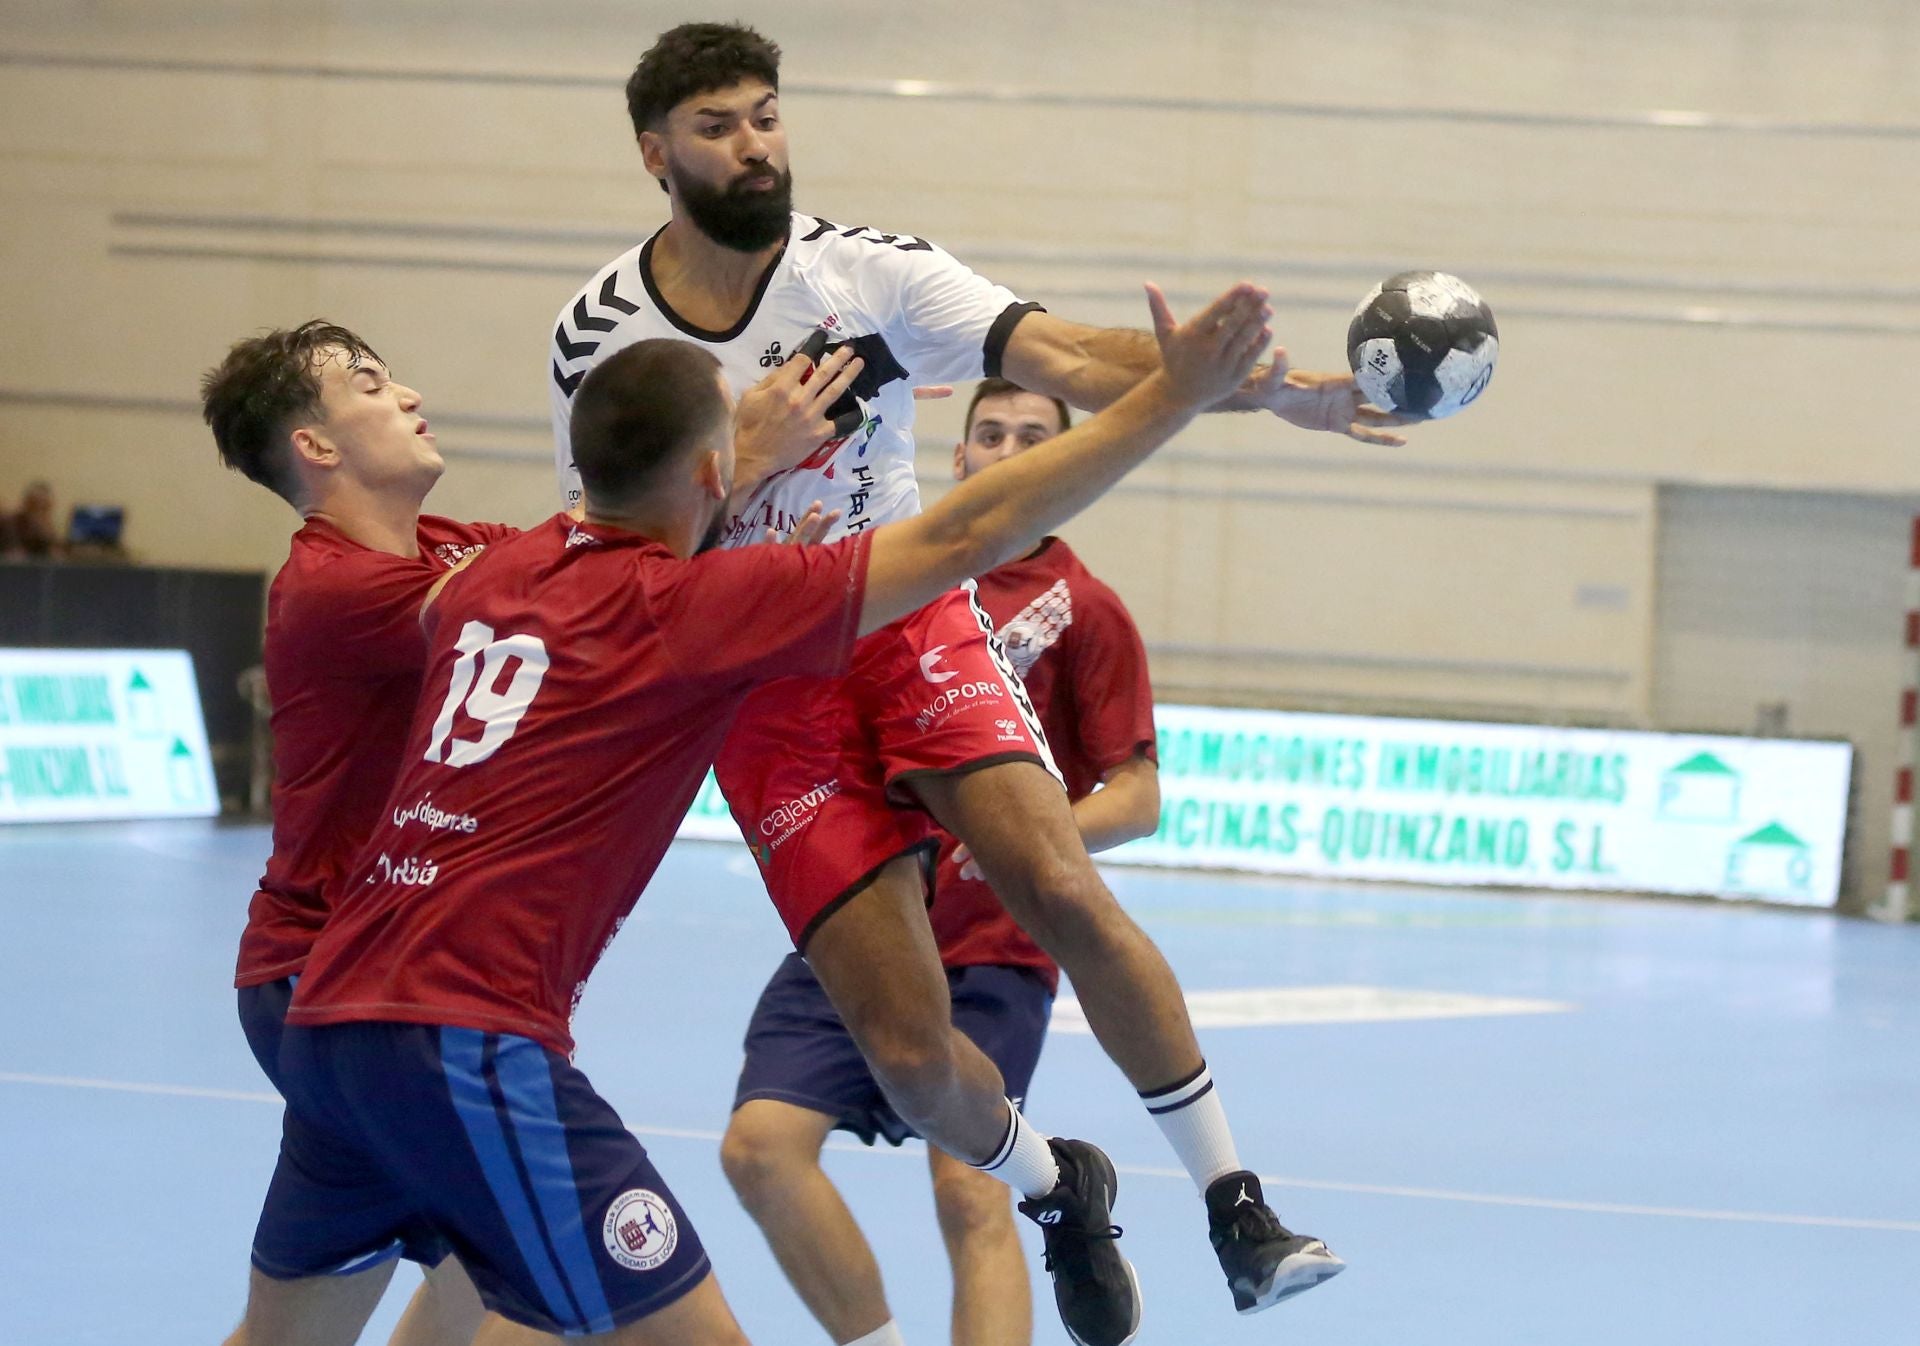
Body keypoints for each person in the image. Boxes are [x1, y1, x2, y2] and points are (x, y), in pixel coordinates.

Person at [247, 282, 1272, 1346]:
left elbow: (596, 569)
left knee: (453, 1308)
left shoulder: (484, 577)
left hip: (328, 1022)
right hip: (461, 1034)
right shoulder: (694, 608)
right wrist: (1171, 396)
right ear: (712, 470)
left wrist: (725, 520)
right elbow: (975, 526)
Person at [548, 23, 1378, 1334]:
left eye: (767, 113)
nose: (756, 143)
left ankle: (1239, 1207)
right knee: (904, 1046)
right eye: (720, 125)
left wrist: (1267, 392)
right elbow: (616, 556)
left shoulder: (864, 273)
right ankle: (1058, 1185)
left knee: (1055, 877)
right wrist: (745, 463)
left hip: (902, 616)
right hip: (761, 687)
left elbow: (1075, 357)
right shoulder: (603, 338)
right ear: (656, 153)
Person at [200, 318, 865, 1346]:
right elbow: (592, 590)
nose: (407, 391)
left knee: (452, 1281)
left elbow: (603, 551)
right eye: (370, 384)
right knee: (520, 1257)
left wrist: (715, 488)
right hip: (337, 972)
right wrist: (733, 447)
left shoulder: (459, 548)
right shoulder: (333, 589)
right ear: (316, 447)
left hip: (390, 983)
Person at [723, 379, 1162, 1346]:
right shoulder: (876, 574)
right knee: (759, 1151)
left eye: (1033, 437)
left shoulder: (1086, 611)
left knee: (972, 1191)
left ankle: (1070, 1210)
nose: (1006, 449)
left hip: (992, 950)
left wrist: (1023, 836)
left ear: (1059, 467)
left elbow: (1140, 794)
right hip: (858, 917)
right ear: (954, 458)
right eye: (989, 432)